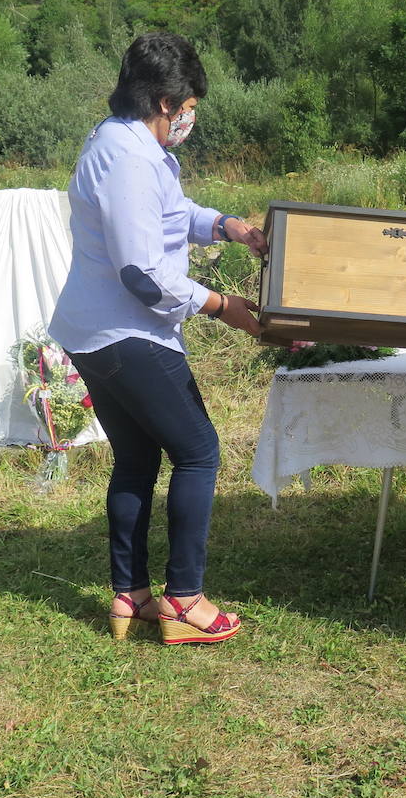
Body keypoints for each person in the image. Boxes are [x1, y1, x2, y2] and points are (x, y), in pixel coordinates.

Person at [49, 32, 267, 646]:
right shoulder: (130, 158)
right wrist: (224, 307)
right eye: (191, 105)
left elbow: (172, 213)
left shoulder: (120, 141)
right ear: (168, 103)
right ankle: (185, 602)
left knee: (139, 458)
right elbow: (143, 274)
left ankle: (132, 595)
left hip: (95, 331)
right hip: (126, 332)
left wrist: (229, 227)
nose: (192, 116)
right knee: (198, 451)